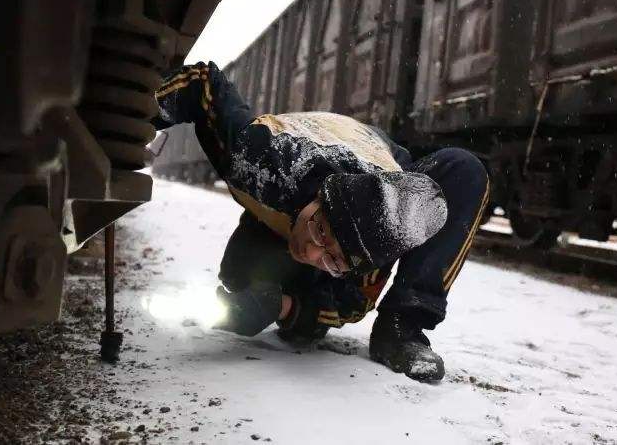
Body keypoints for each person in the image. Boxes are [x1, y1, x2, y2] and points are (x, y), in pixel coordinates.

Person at [153, 61, 489, 381]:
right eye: (320, 231)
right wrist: (129, 122)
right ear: (318, 199)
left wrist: (280, 307)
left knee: (463, 168)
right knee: (239, 276)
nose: (312, 253)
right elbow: (202, 83)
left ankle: (401, 328)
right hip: (301, 166)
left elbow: (345, 306)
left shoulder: (376, 245)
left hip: (378, 168)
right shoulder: (261, 160)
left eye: (333, 260)